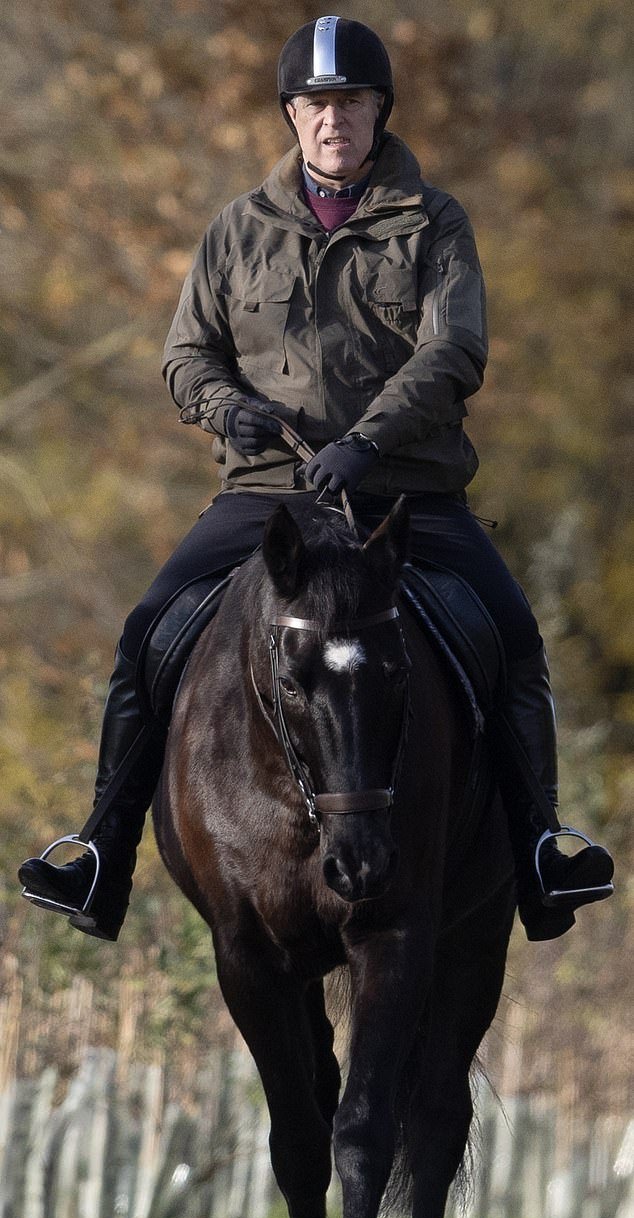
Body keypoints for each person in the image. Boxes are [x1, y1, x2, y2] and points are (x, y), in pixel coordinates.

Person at [19, 16, 613, 942]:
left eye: (351, 101)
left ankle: (543, 853)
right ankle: (101, 854)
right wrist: (227, 410)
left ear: (380, 110)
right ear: (291, 115)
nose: (333, 119)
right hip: (267, 498)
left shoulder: (435, 223)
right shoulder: (236, 230)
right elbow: (186, 357)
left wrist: (369, 443)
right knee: (145, 637)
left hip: (405, 495)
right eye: (316, 104)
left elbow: (453, 350)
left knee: (515, 639)